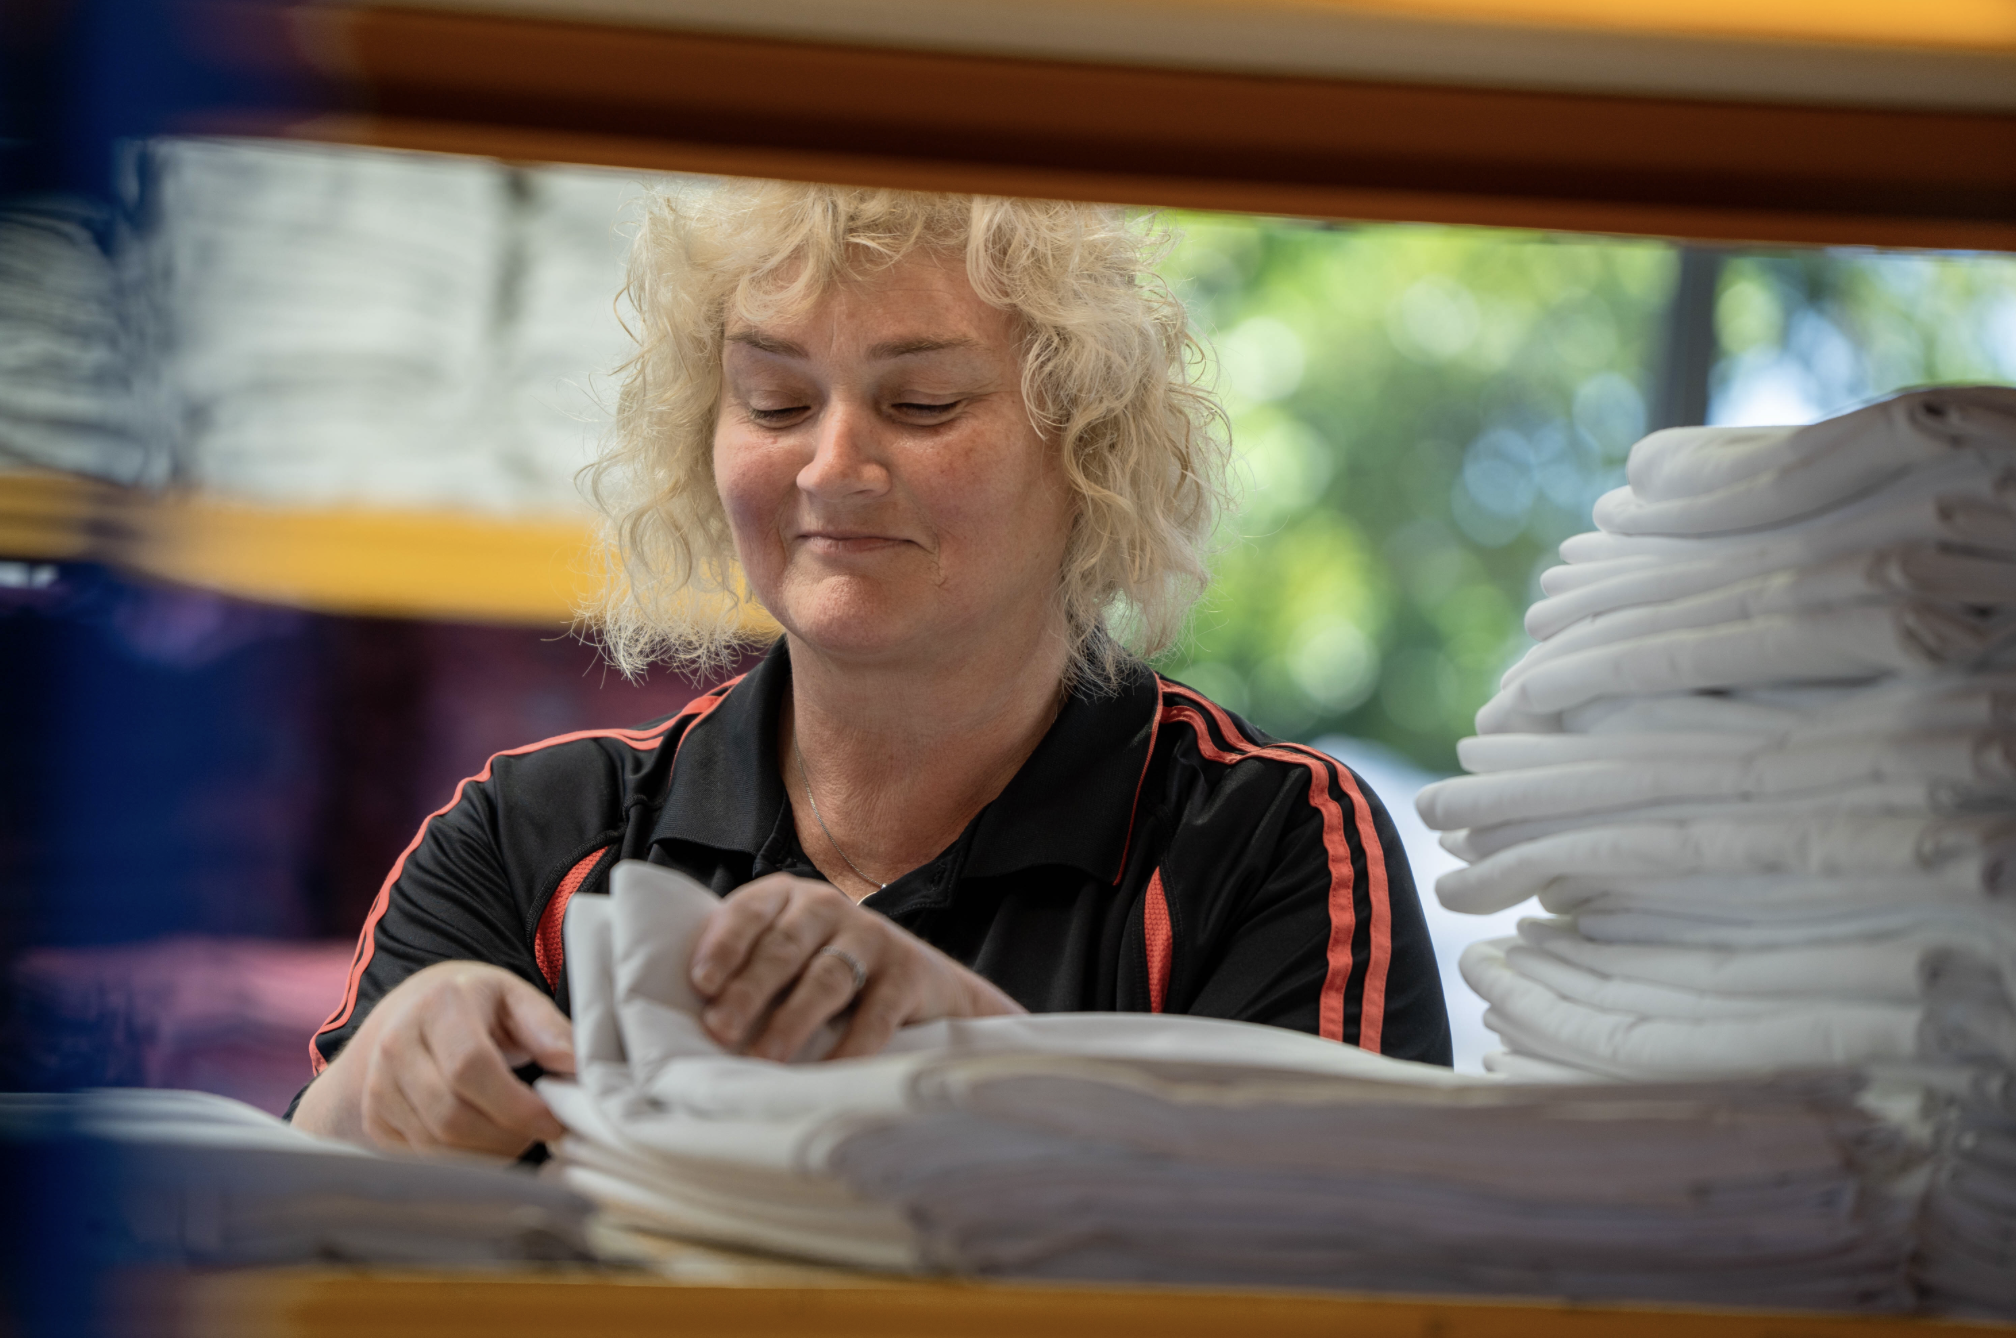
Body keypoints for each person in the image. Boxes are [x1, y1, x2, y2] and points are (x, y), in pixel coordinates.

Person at [291, 183, 1450, 1156]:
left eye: (923, 403)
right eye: (776, 401)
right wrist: (379, 1081)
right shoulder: (525, 835)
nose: (832, 466)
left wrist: (975, 1064)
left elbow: (1343, 1265)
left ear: (1090, 448)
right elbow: (281, 1225)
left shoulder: (1266, 841)